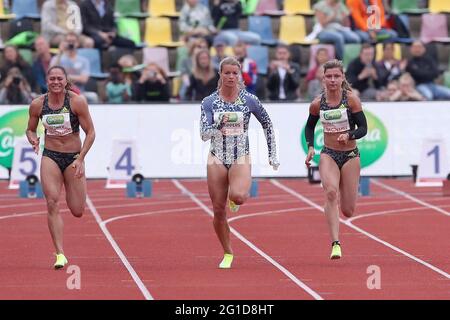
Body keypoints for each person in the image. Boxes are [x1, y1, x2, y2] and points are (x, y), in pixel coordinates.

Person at [200, 56, 279, 269]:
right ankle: (227, 252)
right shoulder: (209, 102)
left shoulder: (249, 100)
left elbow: (267, 124)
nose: (231, 77)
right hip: (216, 156)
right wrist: (218, 125)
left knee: (238, 196)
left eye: (235, 73)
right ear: (220, 75)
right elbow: (203, 134)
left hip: (240, 154)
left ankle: (235, 197)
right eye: (227, 73)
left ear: (240, 75)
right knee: (218, 210)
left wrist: (272, 153)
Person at [25, 65, 95, 269]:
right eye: (52, 79)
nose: (55, 82)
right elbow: (29, 129)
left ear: (66, 81)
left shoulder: (76, 102)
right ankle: (60, 254)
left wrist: (81, 159)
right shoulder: (38, 104)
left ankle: (71, 188)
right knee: (52, 202)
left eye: (59, 79)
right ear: (47, 81)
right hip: (51, 156)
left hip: (73, 157)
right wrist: (34, 139)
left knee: (77, 210)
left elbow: (90, 132)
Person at [304, 59, 367, 260]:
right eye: (329, 77)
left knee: (348, 211)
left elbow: (363, 128)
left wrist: (349, 135)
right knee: (330, 192)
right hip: (328, 154)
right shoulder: (317, 104)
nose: (332, 80)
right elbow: (309, 127)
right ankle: (335, 243)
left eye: (336, 76)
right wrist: (311, 147)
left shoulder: (351, 100)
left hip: (349, 155)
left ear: (342, 78)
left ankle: (345, 188)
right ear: (323, 79)